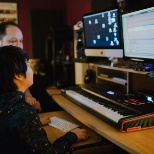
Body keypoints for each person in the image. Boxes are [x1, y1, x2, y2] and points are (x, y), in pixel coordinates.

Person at [0, 45, 88, 154]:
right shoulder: (24, 112)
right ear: (18, 75)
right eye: (28, 65)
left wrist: (32, 125)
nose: (31, 69)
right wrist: (72, 135)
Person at [0, 21, 54, 125]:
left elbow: (21, 84)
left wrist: (29, 97)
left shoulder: (13, 62)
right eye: (13, 41)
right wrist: (32, 122)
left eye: (21, 40)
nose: (19, 45)